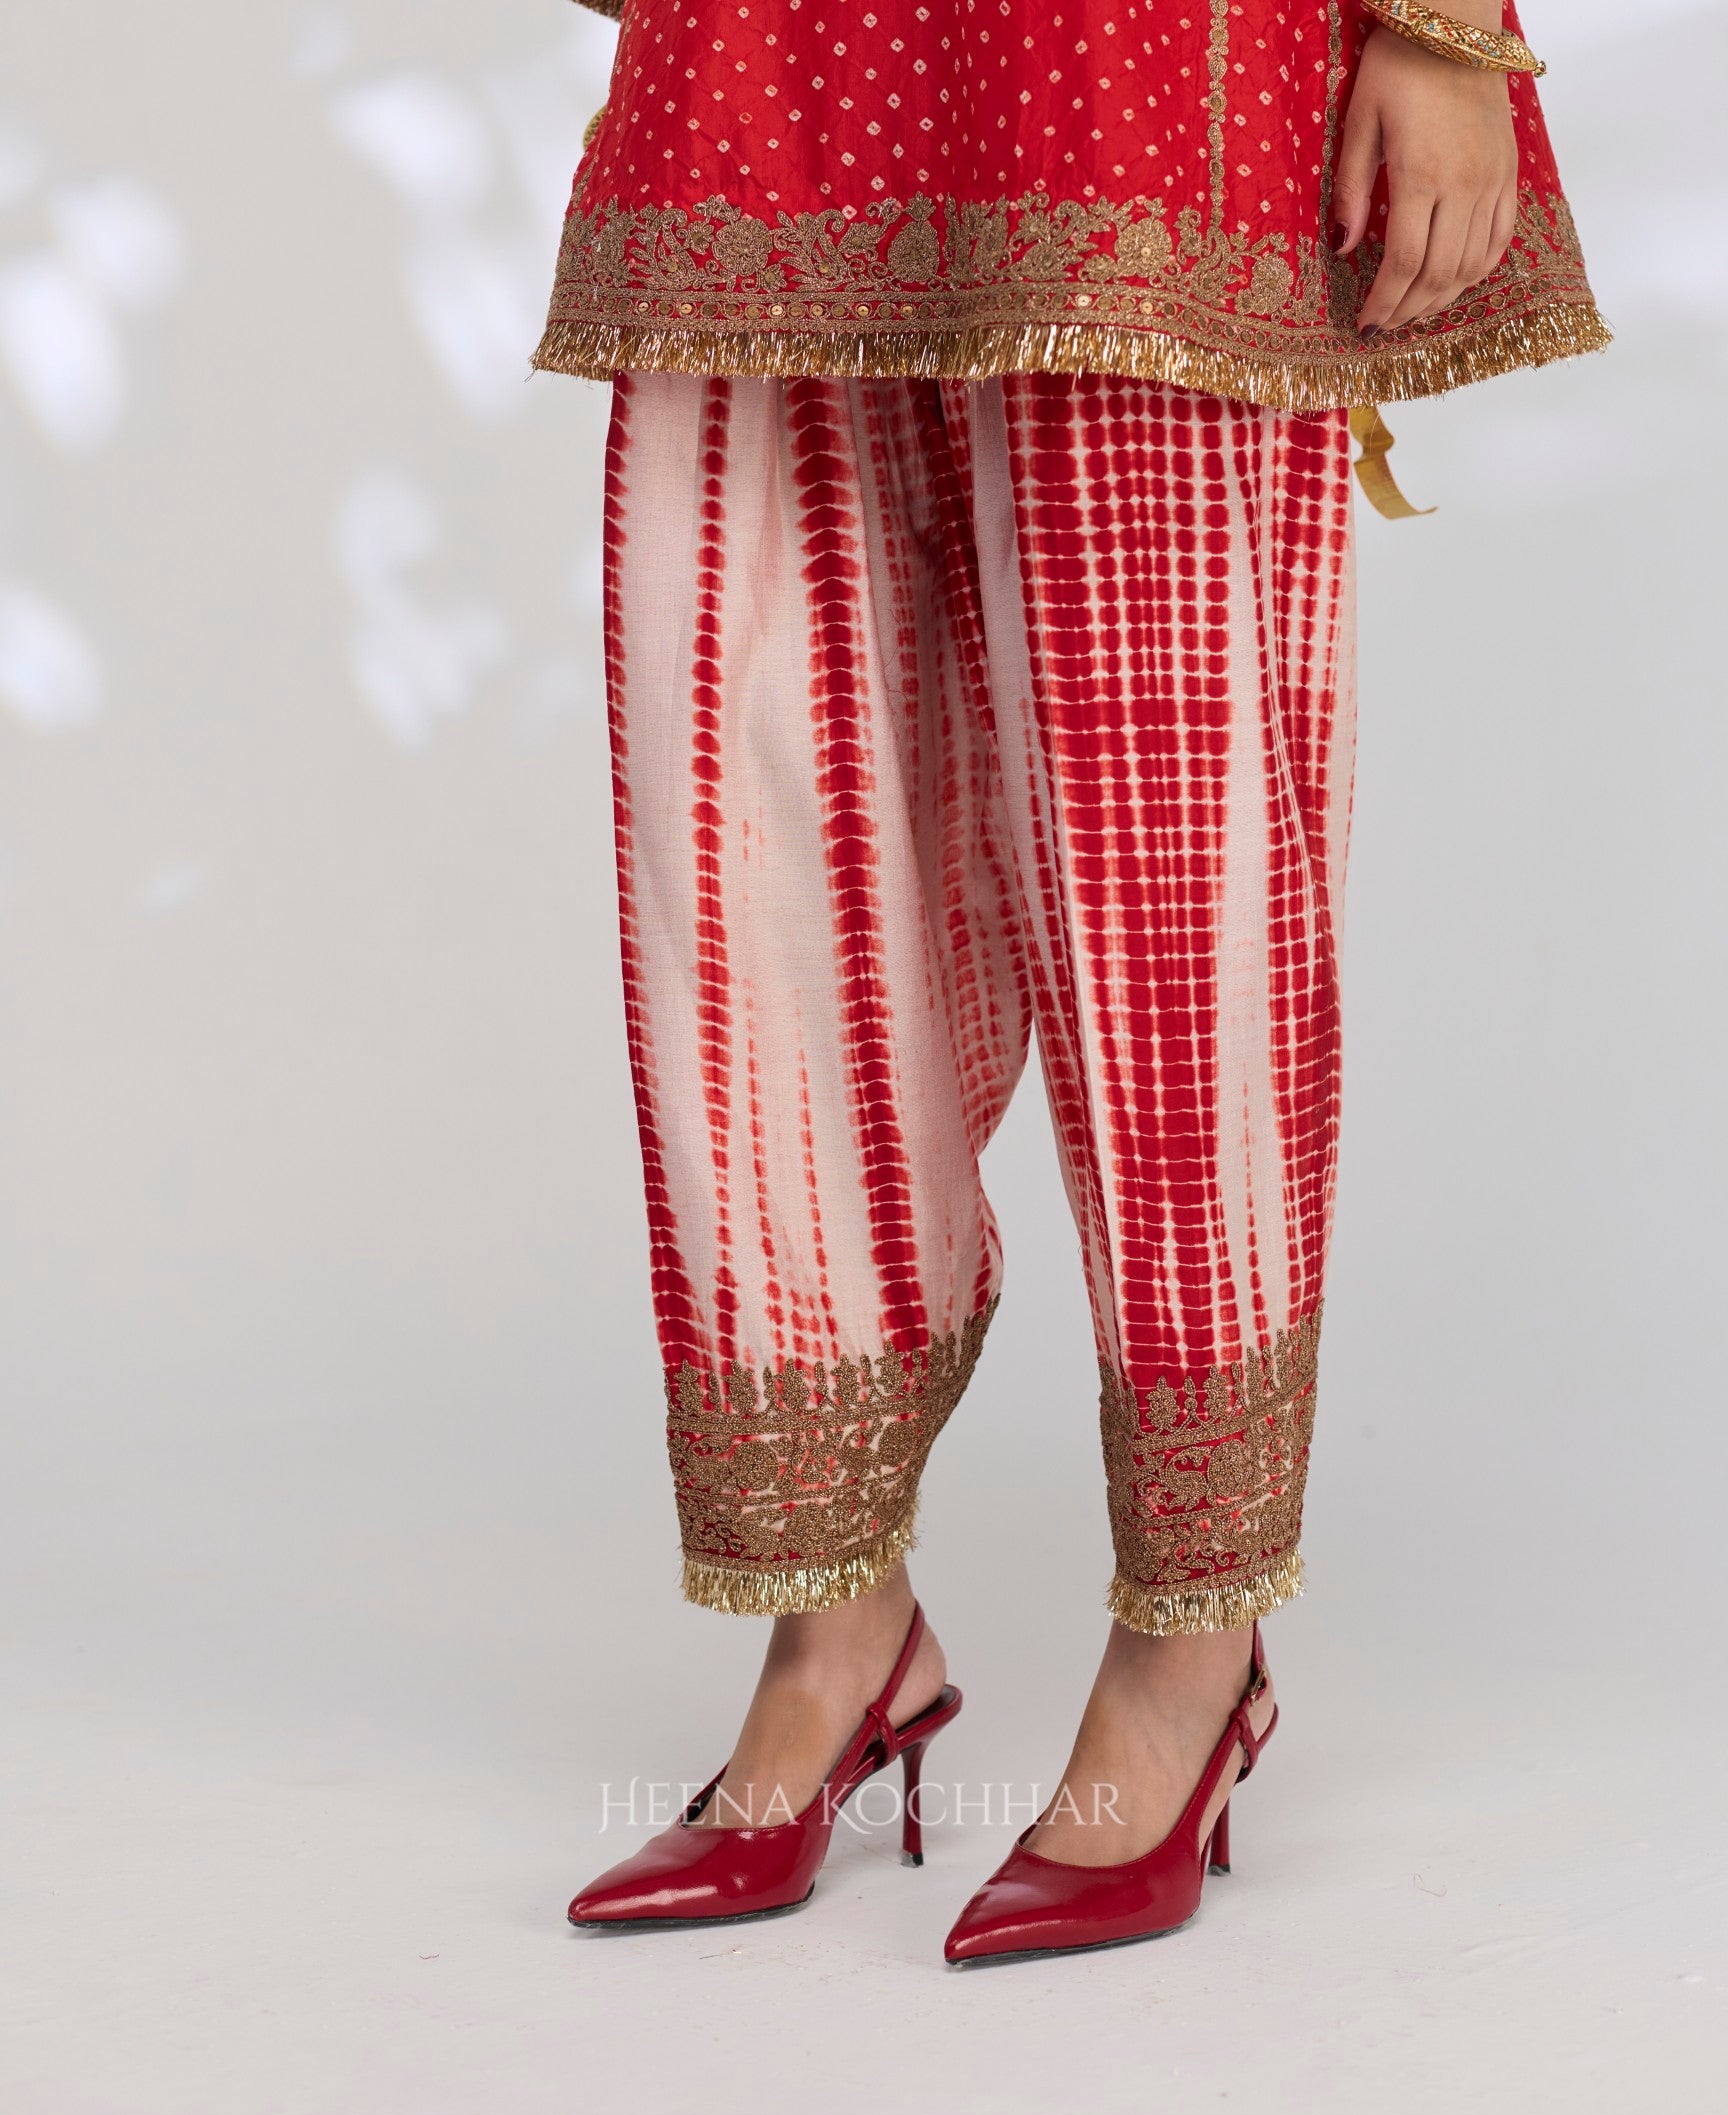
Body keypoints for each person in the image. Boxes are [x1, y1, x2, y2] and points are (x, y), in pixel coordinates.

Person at [535, 0, 1606, 1963]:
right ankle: (835, 1634)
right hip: (778, 41)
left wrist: (1448, 29)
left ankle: (1194, 1650)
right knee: (759, 766)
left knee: (1165, 845)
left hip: (1138, 55)